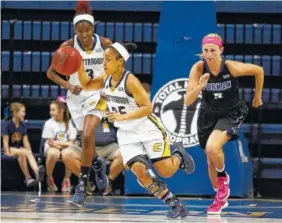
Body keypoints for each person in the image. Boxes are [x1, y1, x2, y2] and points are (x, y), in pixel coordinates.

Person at [77, 41, 196, 219]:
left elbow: (148, 107)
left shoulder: (130, 81)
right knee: (139, 171)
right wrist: (77, 62)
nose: (104, 63)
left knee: (166, 172)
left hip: (147, 130)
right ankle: (175, 204)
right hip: (126, 135)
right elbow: (86, 84)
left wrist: (123, 117)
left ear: (120, 62)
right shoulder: (105, 79)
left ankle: (178, 154)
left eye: (108, 59)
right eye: (103, 59)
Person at [185, 33, 264, 215]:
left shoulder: (231, 67)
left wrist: (257, 97)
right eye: (206, 50)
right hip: (208, 114)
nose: (209, 54)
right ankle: (219, 196)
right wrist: (199, 87)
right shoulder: (198, 68)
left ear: (221, 50)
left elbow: (258, 70)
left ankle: (223, 178)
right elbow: (188, 101)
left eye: (213, 50)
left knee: (213, 148)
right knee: (210, 159)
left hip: (231, 112)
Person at [46, 1, 112, 205]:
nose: (83, 34)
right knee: (86, 142)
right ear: (75, 29)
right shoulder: (67, 47)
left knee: (88, 133)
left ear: (93, 28)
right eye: (79, 30)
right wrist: (67, 85)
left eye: (87, 30)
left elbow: (117, 67)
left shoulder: (105, 44)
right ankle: (97, 164)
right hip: (75, 98)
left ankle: (82, 186)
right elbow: (50, 73)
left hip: (97, 96)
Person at [64, 117, 124, 195]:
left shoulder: (109, 108)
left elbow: (121, 124)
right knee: (66, 154)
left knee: (124, 153)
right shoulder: (82, 110)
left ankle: (107, 183)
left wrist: (109, 116)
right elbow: (75, 122)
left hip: (108, 146)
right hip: (84, 146)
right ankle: (86, 183)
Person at [2, 102, 45, 188]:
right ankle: (36, 171)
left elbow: (25, 142)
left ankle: (28, 178)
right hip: (6, 149)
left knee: (23, 154)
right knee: (24, 151)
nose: (24, 114)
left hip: (18, 149)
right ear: (15, 112)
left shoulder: (23, 125)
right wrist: (7, 153)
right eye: (22, 112)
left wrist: (30, 153)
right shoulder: (6, 124)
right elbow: (5, 141)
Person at [42, 97, 77, 192]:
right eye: (50, 110)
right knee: (54, 153)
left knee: (68, 153)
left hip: (65, 148)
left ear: (62, 110)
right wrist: (63, 144)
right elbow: (51, 142)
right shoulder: (49, 123)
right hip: (51, 148)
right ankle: (49, 178)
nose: (51, 112)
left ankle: (66, 179)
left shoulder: (69, 124)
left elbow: (72, 143)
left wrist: (59, 143)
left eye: (53, 110)